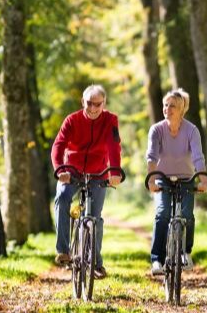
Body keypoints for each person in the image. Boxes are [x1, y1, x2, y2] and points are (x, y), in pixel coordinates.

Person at [51, 84, 122, 279]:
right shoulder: (72, 120)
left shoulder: (110, 120)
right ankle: (63, 250)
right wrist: (60, 169)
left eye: (97, 104)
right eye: (89, 103)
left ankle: (96, 263)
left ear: (104, 103)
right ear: (83, 102)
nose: (93, 108)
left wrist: (114, 171)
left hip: (98, 173)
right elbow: (59, 145)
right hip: (71, 171)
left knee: (95, 218)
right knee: (63, 197)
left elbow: (114, 146)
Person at [146, 88, 207, 275]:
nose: (167, 109)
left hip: (186, 178)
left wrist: (203, 179)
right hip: (163, 179)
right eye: (165, 105)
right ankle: (157, 259)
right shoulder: (157, 130)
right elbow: (151, 157)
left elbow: (198, 157)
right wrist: (151, 178)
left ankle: (186, 252)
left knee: (187, 216)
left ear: (182, 110)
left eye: (172, 106)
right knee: (162, 213)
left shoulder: (192, 130)